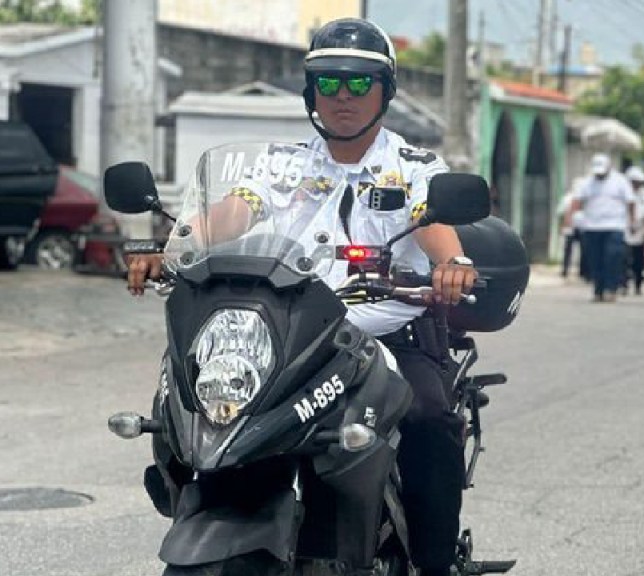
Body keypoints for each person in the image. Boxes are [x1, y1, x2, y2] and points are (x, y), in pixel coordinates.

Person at [127, 19, 475, 576]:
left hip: (382, 331)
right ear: (310, 91)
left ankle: (434, 563)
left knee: (428, 419)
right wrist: (171, 249)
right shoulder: (279, 166)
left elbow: (430, 222)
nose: (344, 96)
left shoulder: (411, 167)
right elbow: (233, 212)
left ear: (385, 90)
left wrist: (451, 264)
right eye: (330, 82)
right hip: (296, 331)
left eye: (361, 84)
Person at [566, 153, 636, 302]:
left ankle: (611, 289)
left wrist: (632, 222)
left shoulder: (620, 181)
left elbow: (630, 202)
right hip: (592, 227)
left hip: (614, 226)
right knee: (595, 260)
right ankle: (598, 290)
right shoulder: (586, 183)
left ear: (609, 167)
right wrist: (570, 220)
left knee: (612, 258)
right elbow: (576, 201)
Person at [624, 166, 644, 295]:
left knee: (638, 260)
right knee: (623, 259)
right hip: (623, 229)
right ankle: (623, 283)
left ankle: (638, 284)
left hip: (640, 230)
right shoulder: (623, 192)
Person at [557, 177, 586, 281]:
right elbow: (561, 213)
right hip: (569, 228)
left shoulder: (585, 199)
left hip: (583, 227)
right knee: (568, 250)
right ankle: (565, 270)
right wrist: (562, 226)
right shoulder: (567, 198)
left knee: (584, 251)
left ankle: (583, 272)